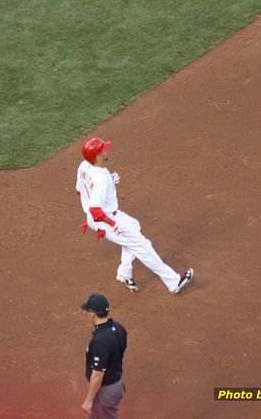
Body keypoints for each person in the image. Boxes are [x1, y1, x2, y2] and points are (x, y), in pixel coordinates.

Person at [75, 137, 193, 294]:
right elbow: (96, 210)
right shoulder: (101, 179)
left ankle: (124, 272)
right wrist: (112, 224)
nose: (106, 151)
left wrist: (108, 181)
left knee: (134, 225)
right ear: (97, 156)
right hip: (106, 219)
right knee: (143, 247)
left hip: (97, 218)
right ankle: (173, 281)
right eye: (103, 150)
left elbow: (80, 190)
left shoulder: (84, 166)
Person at [81, 293, 127, 419]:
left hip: (105, 391)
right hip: (115, 384)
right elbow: (122, 350)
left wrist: (89, 400)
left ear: (92, 314)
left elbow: (98, 374)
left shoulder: (100, 341)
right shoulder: (118, 328)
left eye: (87, 311)